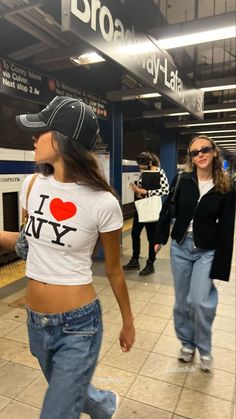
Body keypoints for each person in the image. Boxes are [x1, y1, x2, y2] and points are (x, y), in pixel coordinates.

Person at [0, 96, 135, 418]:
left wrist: (128, 322)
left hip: (79, 325)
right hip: (36, 322)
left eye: (41, 131)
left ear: (63, 139)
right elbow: (26, 245)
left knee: (57, 410)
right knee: (72, 394)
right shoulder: (31, 185)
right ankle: (104, 405)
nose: (33, 138)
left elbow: (115, 270)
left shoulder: (103, 202)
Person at [154, 135, 235, 371]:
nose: (199, 155)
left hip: (206, 250)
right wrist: (159, 237)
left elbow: (227, 226)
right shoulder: (182, 178)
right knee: (182, 302)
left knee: (199, 301)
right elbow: (167, 208)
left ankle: (204, 347)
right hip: (180, 246)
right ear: (190, 157)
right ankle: (187, 344)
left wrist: (222, 263)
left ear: (214, 152)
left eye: (204, 150)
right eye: (194, 152)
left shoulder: (226, 188)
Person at [123, 151, 169, 276]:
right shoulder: (144, 173)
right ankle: (135, 260)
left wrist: (146, 192)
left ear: (149, 162)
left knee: (151, 238)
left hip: (152, 210)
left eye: (142, 165)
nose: (140, 168)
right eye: (139, 165)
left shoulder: (160, 172)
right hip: (141, 208)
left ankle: (150, 264)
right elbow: (143, 188)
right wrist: (137, 191)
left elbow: (165, 190)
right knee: (134, 233)